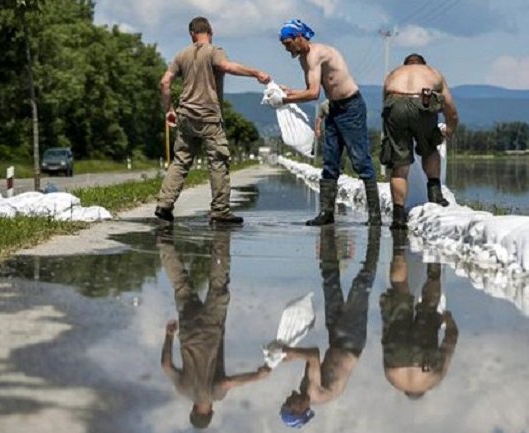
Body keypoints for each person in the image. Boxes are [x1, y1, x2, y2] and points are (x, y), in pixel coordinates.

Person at [155, 16, 271, 225]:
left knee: (181, 161)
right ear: (211, 31)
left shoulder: (182, 54)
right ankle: (220, 211)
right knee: (218, 162)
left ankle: (164, 205)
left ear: (192, 34)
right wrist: (255, 72)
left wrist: (169, 109)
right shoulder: (214, 51)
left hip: (185, 116)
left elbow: (165, 82)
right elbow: (227, 67)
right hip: (209, 116)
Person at [158, 226, 271, 429]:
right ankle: (163, 243)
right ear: (192, 409)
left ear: (210, 411)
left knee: (219, 284)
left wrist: (258, 375)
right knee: (181, 284)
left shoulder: (214, 395)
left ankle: (221, 235)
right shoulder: (183, 390)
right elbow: (166, 365)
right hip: (187, 329)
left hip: (211, 327)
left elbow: (228, 383)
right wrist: (169, 335)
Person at [274, 19, 381, 226]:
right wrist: (287, 92)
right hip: (334, 107)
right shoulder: (304, 59)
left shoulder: (317, 54)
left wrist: (285, 100)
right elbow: (310, 89)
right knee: (330, 161)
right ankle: (326, 213)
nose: (287, 50)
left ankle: (375, 216)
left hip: (351, 107)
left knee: (360, 160)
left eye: (288, 44)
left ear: (298, 38)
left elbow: (313, 94)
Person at [279, 226, 380, 428]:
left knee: (330, 281)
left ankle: (328, 232)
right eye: (289, 404)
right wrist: (290, 352)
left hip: (336, 338)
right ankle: (374, 238)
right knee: (361, 285)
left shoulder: (304, 390)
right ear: (300, 409)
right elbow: (314, 355)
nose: (288, 398)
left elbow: (312, 360)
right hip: (350, 340)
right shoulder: (315, 393)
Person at [381, 52, 459, 229]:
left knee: (399, 162)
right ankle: (435, 196)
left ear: (405, 64)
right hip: (422, 102)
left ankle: (398, 216)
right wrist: (450, 129)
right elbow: (451, 111)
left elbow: (384, 107)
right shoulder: (432, 72)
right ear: (423, 64)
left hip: (395, 102)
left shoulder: (393, 74)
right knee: (430, 148)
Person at [379, 232, 458, 399]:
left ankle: (434, 265)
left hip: (425, 363)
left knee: (429, 306)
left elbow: (450, 341)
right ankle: (398, 249)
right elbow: (386, 339)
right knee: (400, 289)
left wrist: (447, 320)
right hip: (396, 360)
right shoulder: (394, 381)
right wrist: (389, 312)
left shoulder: (431, 382)